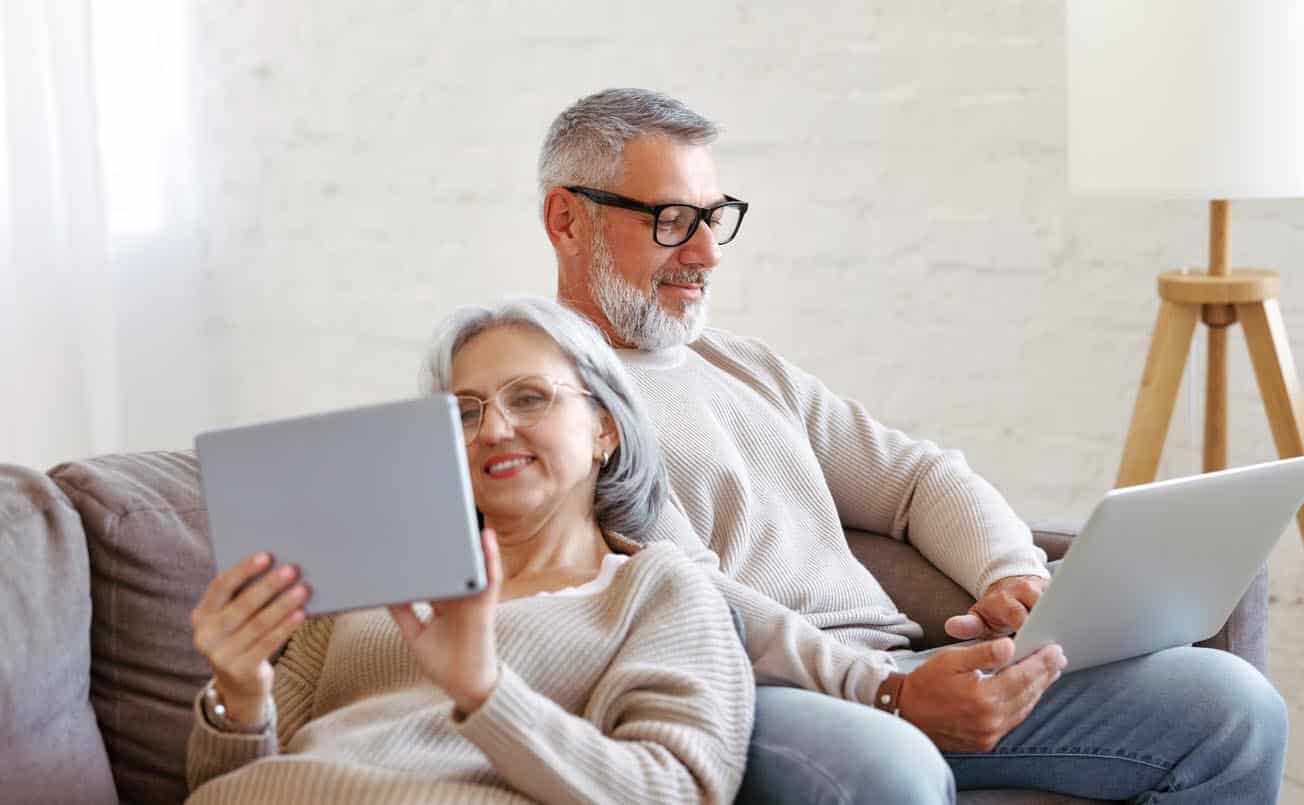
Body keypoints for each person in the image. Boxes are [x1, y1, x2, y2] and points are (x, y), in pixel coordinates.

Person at [538, 87, 1289, 803]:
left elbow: (917, 480)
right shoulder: (547, 399)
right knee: (890, 767)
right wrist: (887, 691)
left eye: (715, 216)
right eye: (672, 219)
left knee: (1234, 706)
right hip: (766, 698)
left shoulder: (740, 364)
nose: (708, 253)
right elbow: (687, 599)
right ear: (567, 222)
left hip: (903, 668)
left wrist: (1011, 575)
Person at [185, 298, 755, 804]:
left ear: (605, 430)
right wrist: (239, 698)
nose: (494, 430)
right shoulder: (366, 578)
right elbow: (229, 786)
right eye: (465, 412)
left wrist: (486, 691)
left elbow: (676, 791)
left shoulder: (659, 591)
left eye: (529, 398)